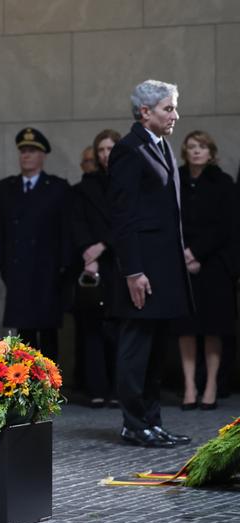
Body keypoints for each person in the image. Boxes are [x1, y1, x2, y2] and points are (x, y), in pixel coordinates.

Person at [109, 80, 192, 447]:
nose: (175, 115)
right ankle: (132, 422)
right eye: (168, 108)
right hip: (142, 269)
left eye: (174, 108)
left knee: (157, 349)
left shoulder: (161, 144)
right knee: (137, 347)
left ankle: (151, 421)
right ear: (145, 112)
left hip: (165, 267)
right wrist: (133, 271)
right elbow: (123, 216)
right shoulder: (129, 149)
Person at [0, 127, 70, 359]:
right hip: (18, 270)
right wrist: (1, 265)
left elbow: (65, 231)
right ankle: (27, 388)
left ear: (42, 155)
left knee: (47, 332)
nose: (26, 155)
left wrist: (63, 268)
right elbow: (0, 229)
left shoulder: (57, 187)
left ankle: (50, 387)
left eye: (32, 151)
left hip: (47, 271)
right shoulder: (7, 187)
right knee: (23, 336)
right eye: (23, 151)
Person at [172, 130, 236, 410]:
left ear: (211, 152)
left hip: (213, 266)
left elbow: (226, 226)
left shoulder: (223, 183)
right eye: (192, 147)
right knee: (186, 328)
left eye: (202, 147)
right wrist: (183, 253)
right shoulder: (174, 182)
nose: (197, 151)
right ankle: (189, 386)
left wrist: (197, 253)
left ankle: (210, 386)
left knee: (213, 328)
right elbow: (170, 220)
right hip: (180, 264)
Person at [72, 129, 122, 407]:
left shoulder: (127, 182)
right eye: (101, 150)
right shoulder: (86, 185)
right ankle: (96, 388)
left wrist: (103, 245)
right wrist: (87, 252)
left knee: (116, 328)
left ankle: (117, 389)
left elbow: (127, 221)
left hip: (118, 261)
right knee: (92, 328)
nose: (105, 155)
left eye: (110, 149)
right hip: (92, 265)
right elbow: (77, 221)